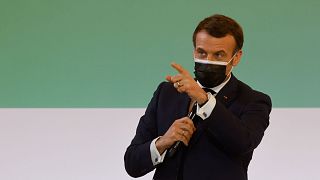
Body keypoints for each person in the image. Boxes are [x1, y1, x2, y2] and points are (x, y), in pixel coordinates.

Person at [124, 14, 272, 180]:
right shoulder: (167, 93)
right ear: (194, 51)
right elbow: (132, 163)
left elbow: (243, 143)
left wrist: (204, 100)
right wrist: (163, 141)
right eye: (201, 53)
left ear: (236, 57)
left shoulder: (253, 101)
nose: (208, 61)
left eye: (218, 55)